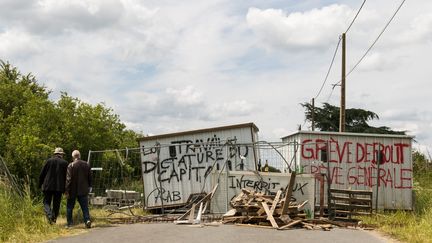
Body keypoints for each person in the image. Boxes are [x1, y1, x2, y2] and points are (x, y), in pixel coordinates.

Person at [38, 147, 68, 224]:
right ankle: (53, 220)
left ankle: (49, 215)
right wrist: (66, 189)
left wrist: (39, 184)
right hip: (59, 187)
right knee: (56, 204)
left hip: (48, 186)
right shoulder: (65, 163)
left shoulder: (49, 161)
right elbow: (67, 177)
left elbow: (42, 173)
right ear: (61, 154)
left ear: (55, 154)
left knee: (46, 202)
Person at [65, 150, 92, 228]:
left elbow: (68, 179)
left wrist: (66, 190)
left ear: (73, 156)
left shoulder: (71, 165)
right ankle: (87, 220)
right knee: (85, 207)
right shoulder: (86, 164)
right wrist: (90, 186)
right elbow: (90, 177)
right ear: (79, 156)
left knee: (70, 207)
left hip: (72, 190)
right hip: (83, 190)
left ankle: (69, 223)